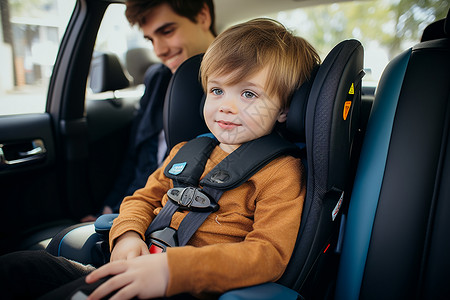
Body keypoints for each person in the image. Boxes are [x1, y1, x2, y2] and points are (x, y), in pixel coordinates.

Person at [0, 18, 320, 299]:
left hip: (186, 287)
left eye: (248, 94)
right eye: (217, 90)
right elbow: (141, 199)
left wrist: (171, 270)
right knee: (23, 264)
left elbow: (268, 255)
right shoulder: (186, 151)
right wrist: (127, 235)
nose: (226, 106)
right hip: (136, 267)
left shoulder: (281, 172)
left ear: (284, 110)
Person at [82, 0, 217, 221]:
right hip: (132, 208)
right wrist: (109, 210)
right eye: (151, 39)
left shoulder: (239, 85)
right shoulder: (158, 78)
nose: (159, 50)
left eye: (167, 31)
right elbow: (136, 154)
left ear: (202, 16)